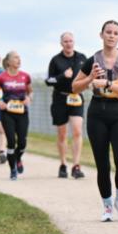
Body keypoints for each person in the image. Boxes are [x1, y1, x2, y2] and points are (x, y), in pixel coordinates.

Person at [71, 20, 118, 221]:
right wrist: (90, 78)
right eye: (108, 32)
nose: (111, 35)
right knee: (102, 164)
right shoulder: (93, 60)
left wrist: (108, 83)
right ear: (101, 35)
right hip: (97, 114)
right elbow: (74, 87)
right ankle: (107, 205)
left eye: (115, 33)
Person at [46, 32, 88, 179]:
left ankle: (76, 166)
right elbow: (48, 81)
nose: (68, 44)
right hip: (60, 98)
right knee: (62, 134)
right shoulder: (56, 60)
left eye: (70, 41)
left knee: (77, 131)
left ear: (74, 42)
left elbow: (89, 75)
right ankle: (63, 164)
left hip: (76, 98)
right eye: (65, 41)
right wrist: (62, 76)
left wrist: (89, 83)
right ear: (61, 43)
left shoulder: (82, 58)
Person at [0, 51, 32, 181]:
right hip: (7, 113)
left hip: (22, 113)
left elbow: (30, 92)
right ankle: (12, 168)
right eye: (15, 58)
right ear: (8, 62)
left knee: (22, 143)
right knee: (11, 142)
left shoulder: (25, 76)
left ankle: (18, 158)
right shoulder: (2, 77)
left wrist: (28, 98)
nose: (19, 60)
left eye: (19, 57)